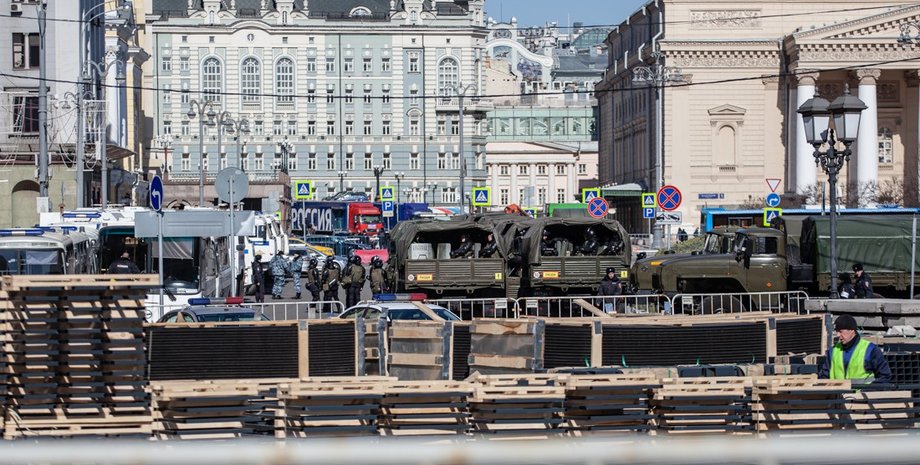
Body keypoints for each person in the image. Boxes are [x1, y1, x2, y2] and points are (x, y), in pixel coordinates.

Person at [819, 315, 891, 384]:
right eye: (836, 331)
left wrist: (869, 390)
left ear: (852, 330)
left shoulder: (870, 350)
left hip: (863, 392)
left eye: (840, 331)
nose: (838, 335)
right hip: (838, 392)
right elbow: (824, 377)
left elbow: (884, 376)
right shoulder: (832, 351)